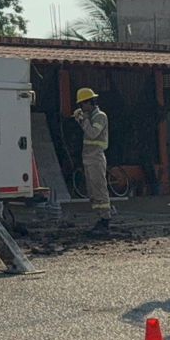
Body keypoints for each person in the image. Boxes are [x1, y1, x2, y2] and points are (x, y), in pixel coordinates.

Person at [73, 88, 117, 235]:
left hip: (96, 157)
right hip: (88, 157)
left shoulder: (99, 116)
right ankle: (100, 218)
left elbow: (92, 133)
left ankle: (106, 219)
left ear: (89, 102)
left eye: (82, 104)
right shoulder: (90, 117)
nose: (81, 107)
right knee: (92, 190)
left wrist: (83, 120)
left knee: (99, 188)